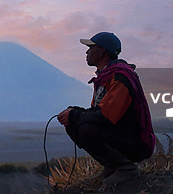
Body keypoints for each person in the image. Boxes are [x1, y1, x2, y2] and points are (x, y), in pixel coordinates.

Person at [58, 31, 156, 184]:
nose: (87, 51)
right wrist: (72, 113)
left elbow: (106, 115)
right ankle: (112, 167)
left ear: (102, 51)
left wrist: (75, 114)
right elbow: (98, 112)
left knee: (84, 127)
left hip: (135, 142)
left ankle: (126, 169)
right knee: (73, 122)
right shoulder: (106, 77)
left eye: (91, 47)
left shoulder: (121, 77)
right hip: (121, 135)